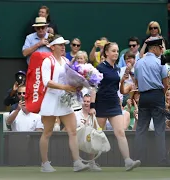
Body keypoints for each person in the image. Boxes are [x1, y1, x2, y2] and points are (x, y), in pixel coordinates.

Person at [38, 34, 89, 172]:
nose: (63, 47)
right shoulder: (47, 61)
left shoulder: (66, 60)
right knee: (47, 132)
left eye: (63, 45)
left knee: (72, 131)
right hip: (51, 99)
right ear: (52, 47)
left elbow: (70, 79)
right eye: (60, 45)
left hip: (65, 100)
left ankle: (77, 162)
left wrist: (77, 85)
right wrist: (65, 88)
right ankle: (44, 163)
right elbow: (46, 82)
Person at [89, 42, 141, 171]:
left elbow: (120, 90)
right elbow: (93, 88)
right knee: (96, 134)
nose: (116, 53)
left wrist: (123, 82)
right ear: (106, 53)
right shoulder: (100, 68)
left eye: (117, 51)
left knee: (120, 132)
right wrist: (92, 106)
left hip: (114, 104)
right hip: (101, 105)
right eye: (113, 51)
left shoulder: (117, 68)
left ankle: (128, 161)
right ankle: (91, 162)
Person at [134, 38, 169, 166]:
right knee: (159, 129)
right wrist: (161, 95)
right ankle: (161, 160)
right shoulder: (160, 62)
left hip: (143, 97)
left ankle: (138, 159)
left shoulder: (138, 63)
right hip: (157, 96)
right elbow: (166, 84)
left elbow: (136, 82)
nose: (161, 51)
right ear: (155, 48)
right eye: (160, 48)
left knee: (141, 129)